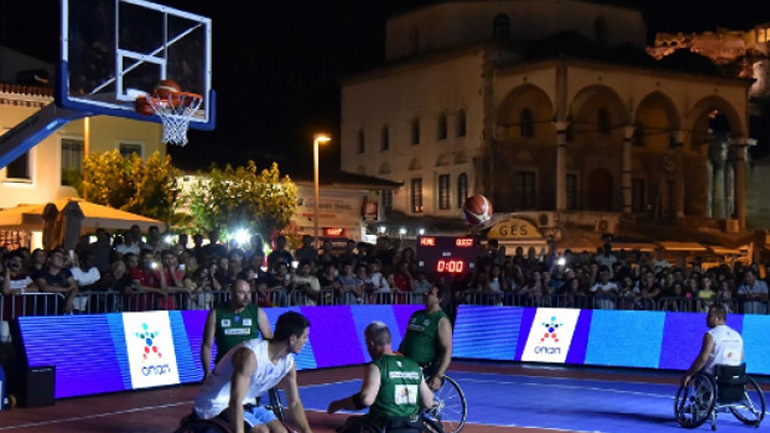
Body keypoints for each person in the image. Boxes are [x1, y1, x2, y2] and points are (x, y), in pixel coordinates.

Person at [194, 311, 313, 433]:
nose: (306, 341)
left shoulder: (288, 363)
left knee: (281, 431)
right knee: (262, 431)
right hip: (216, 404)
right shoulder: (250, 356)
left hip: (248, 403)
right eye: (304, 337)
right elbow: (235, 400)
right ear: (292, 339)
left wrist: (307, 431)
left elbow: (294, 403)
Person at [327, 321, 433, 433]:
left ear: (371, 343)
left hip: (386, 427)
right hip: (412, 427)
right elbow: (428, 402)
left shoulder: (378, 366)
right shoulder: (413, 365)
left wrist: (338, 404)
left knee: (351, 424)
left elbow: (366, 400)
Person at [201, 278, 273, 379]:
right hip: (224, 367)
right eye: (242, 292)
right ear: (231, 292)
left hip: (251, 367)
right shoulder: (216, 313)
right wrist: (207, 372)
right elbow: (207, 345)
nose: (247, 297)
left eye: (248, 292)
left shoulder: (256, 312)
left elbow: (270, 341)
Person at [398, 284, 452, 391]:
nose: (425, 293)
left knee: (411, 401)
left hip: (424, 368)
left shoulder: (441, 320)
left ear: (439, 299)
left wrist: (438, 376)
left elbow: (447, 349)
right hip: (406, 365)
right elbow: (407, 339)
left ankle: (430, 405)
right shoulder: (416, 315)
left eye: (430, 293)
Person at [682, 304, 744, 386]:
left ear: (718, 318)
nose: (706, 318)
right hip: (735, 378)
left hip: (714, 379)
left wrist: (689, 374)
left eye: (709, 316)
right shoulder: (737, 335)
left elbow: (703, 359)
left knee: (699, 371)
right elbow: (741, 356)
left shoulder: (711, 335)